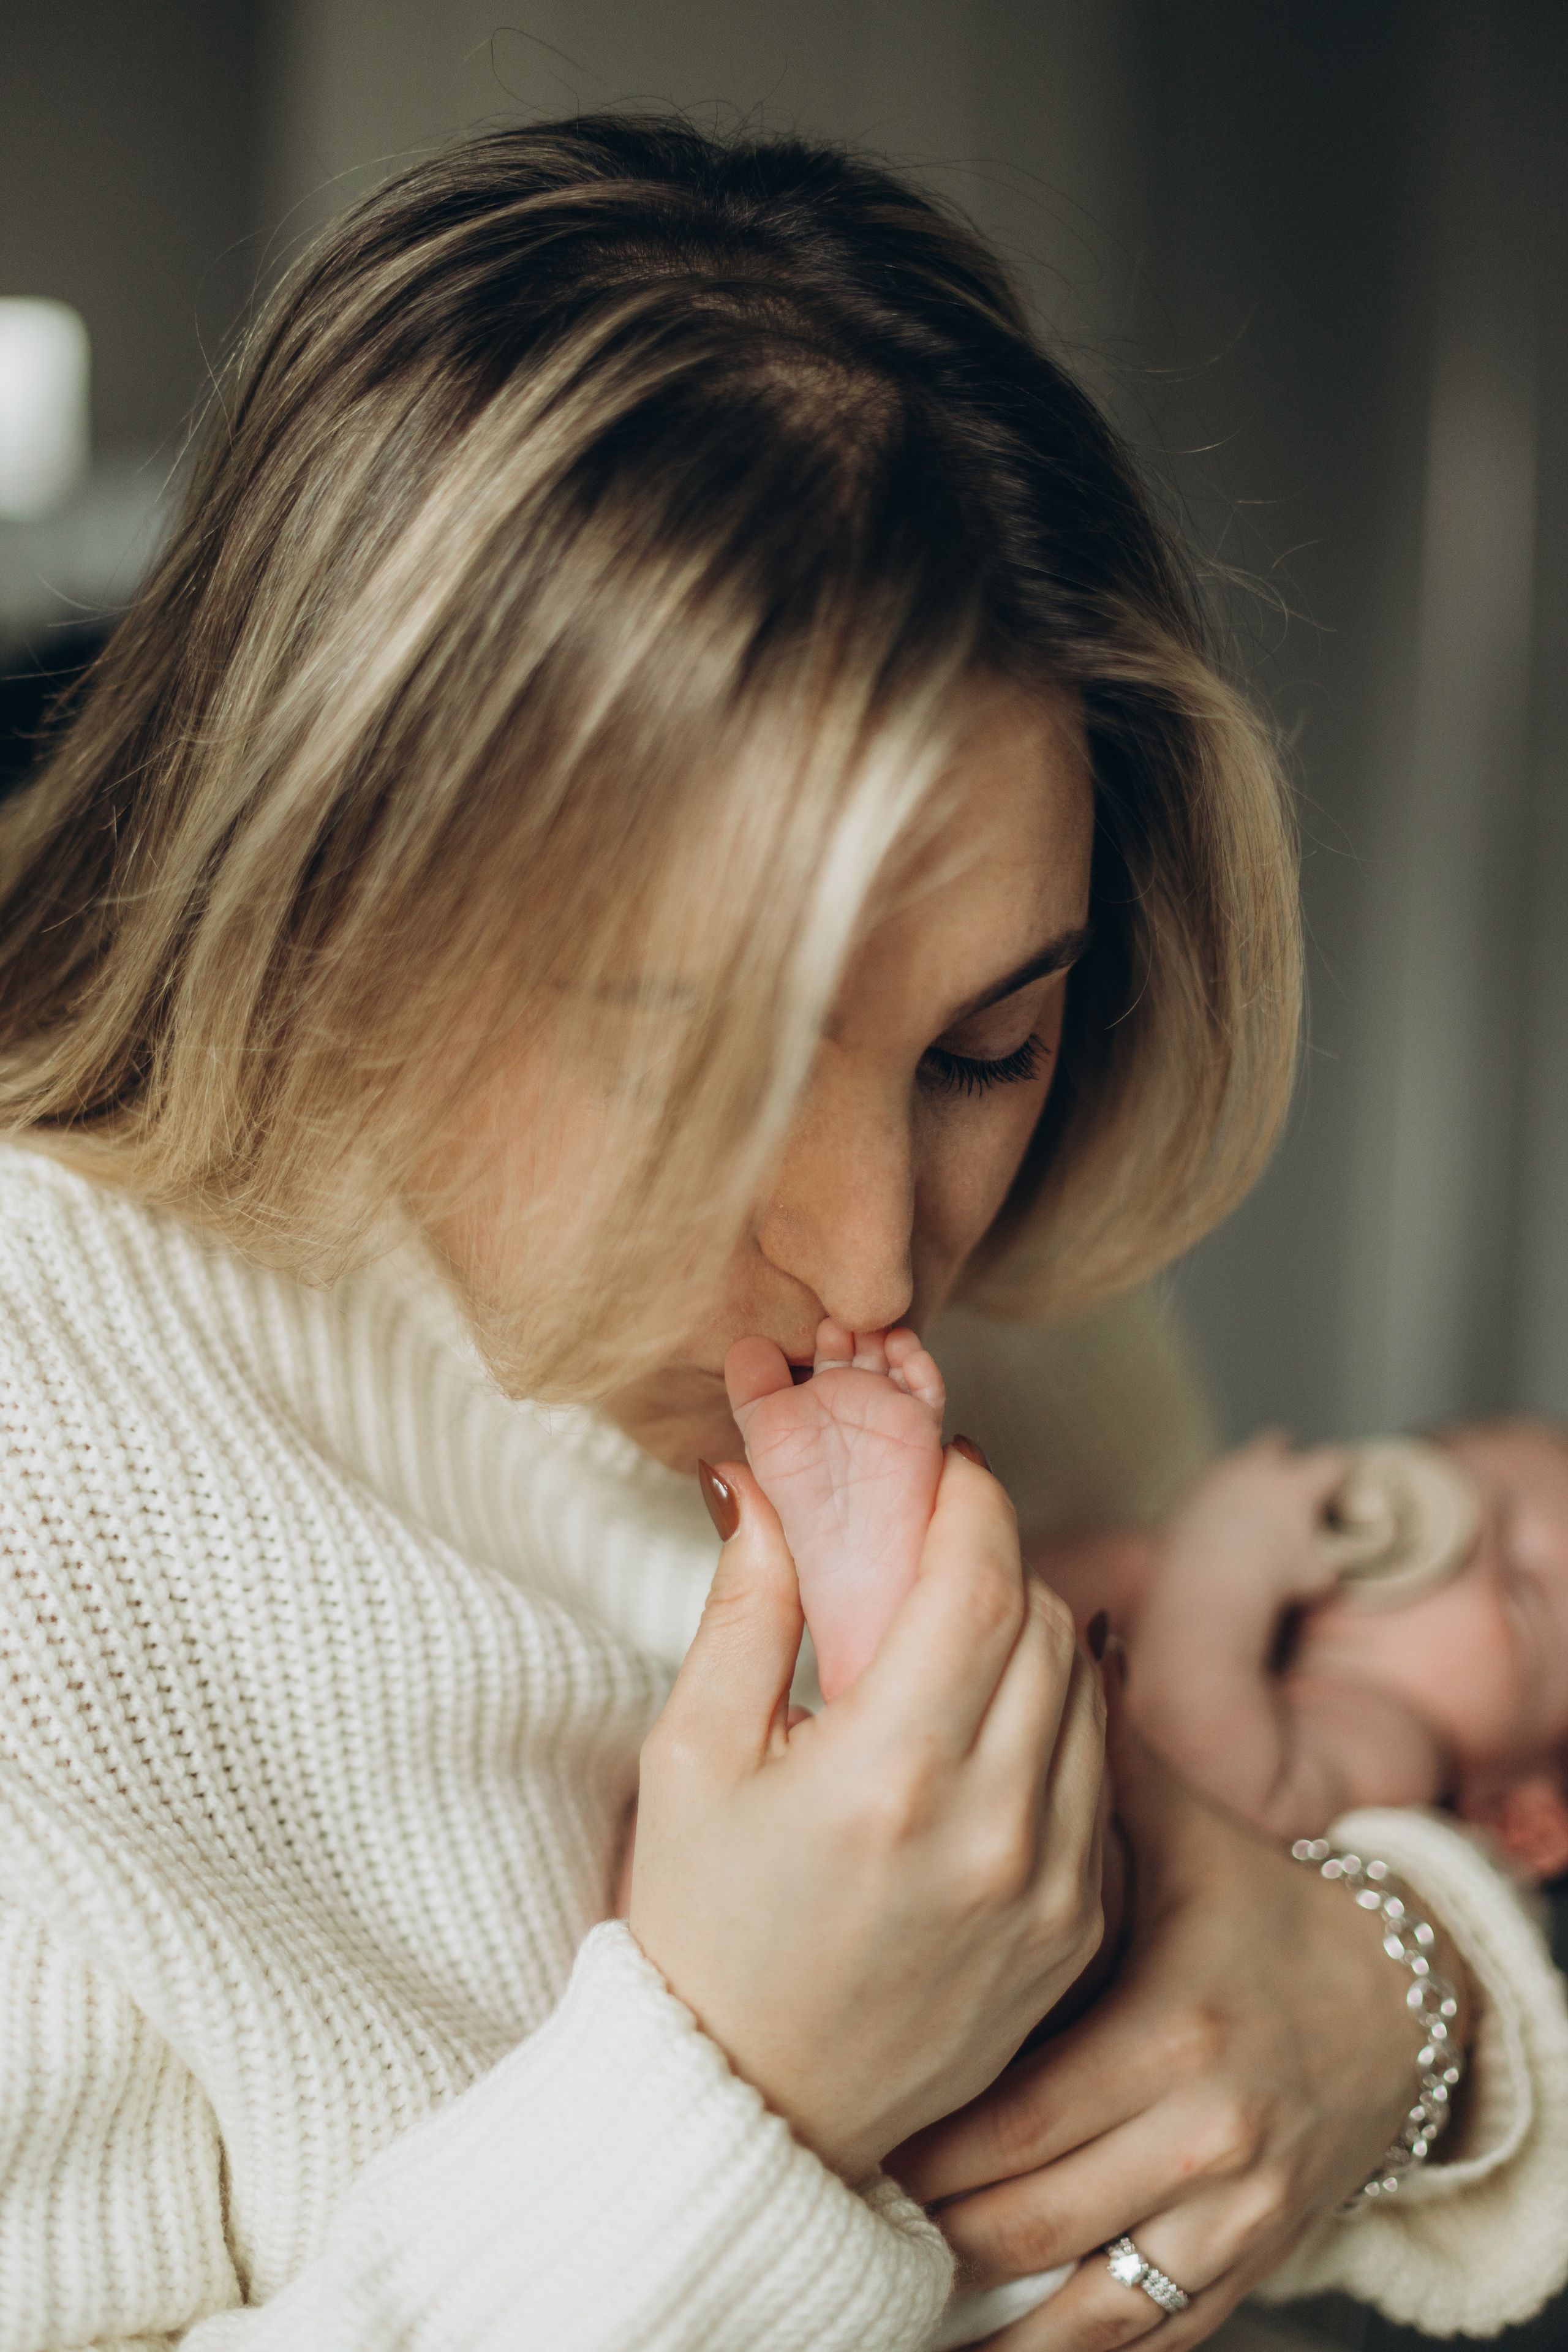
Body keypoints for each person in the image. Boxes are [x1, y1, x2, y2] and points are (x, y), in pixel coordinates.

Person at [0, 114, 1564, 2352]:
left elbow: (1262, 1868)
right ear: (329, 901)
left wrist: (1387, 2002)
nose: (874, 1268)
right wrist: (747, 2100)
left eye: (977, 1050)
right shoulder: (42, 1473)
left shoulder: (1038, 1316)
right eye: (696, 1066)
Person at [1047, 1422, 1568, 1883]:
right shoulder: (1235, 1585)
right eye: (1445, 1479)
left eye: (1522, 1593)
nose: (1448, 1537)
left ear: (1519, 1822)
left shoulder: (1395, 1739)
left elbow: (1211, 1806)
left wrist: (1225, 1559)